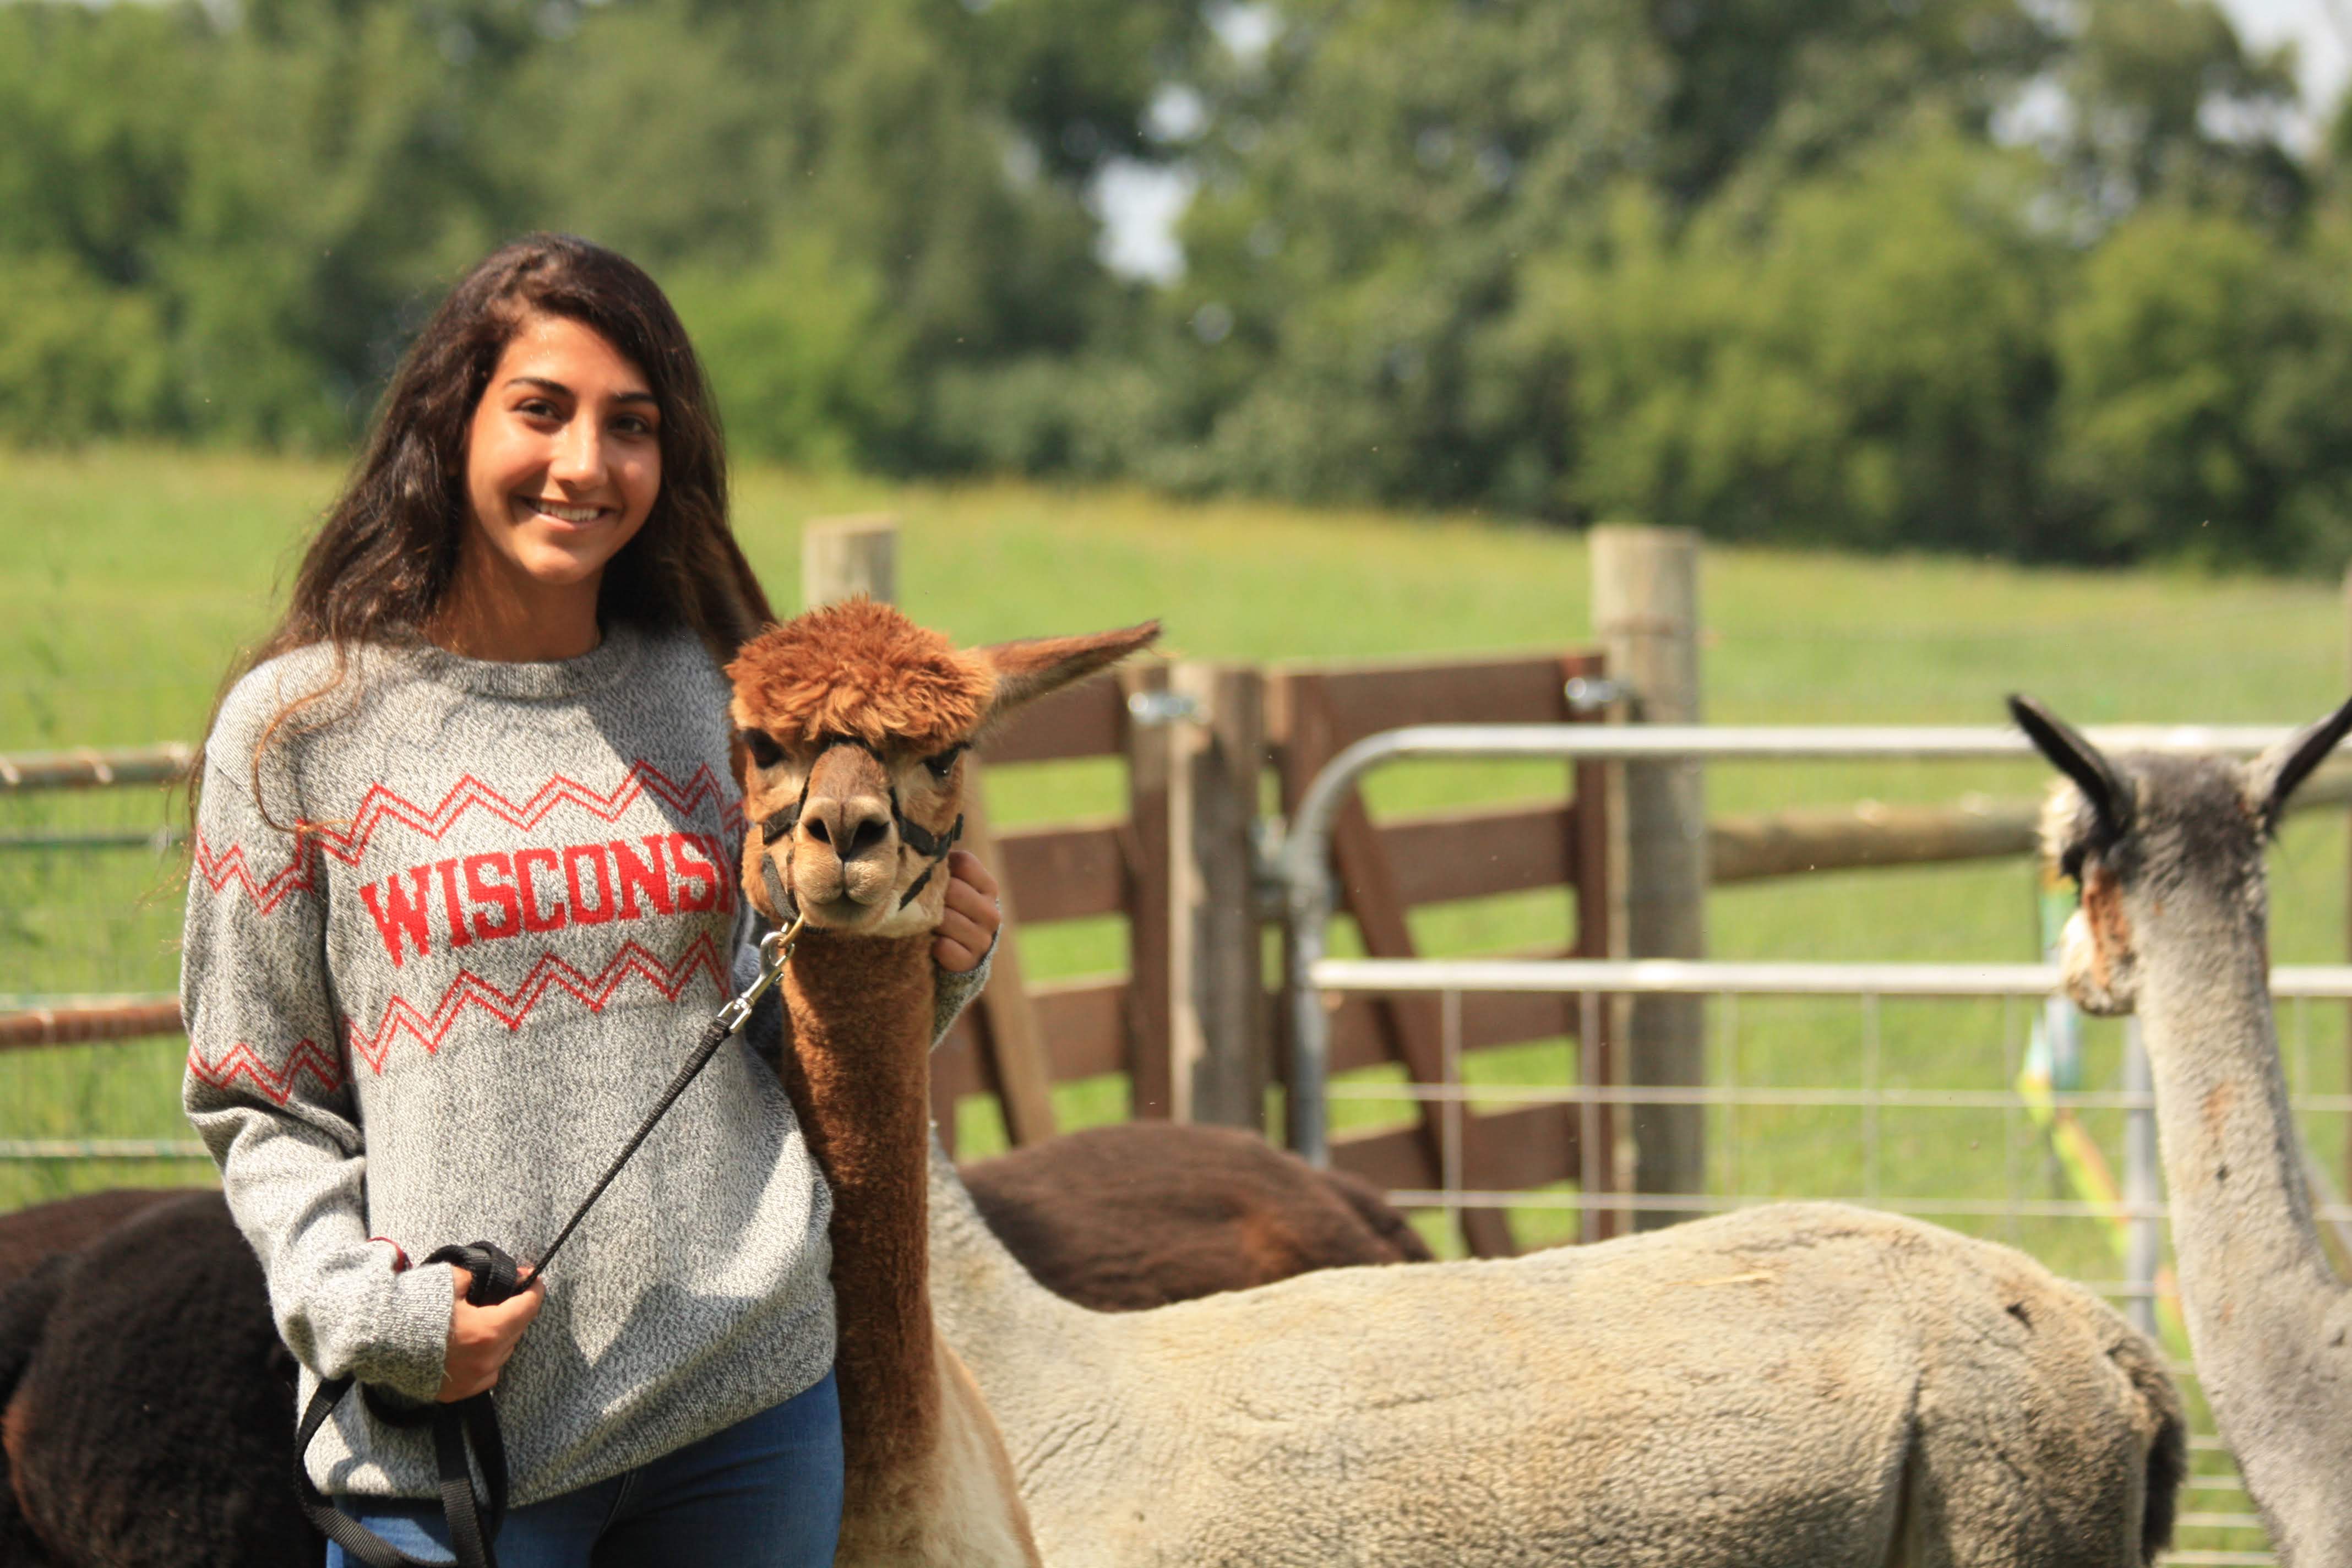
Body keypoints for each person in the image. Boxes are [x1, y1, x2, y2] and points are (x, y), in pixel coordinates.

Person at [179, 232, 1000, 1568]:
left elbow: (770, 1032)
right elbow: (255, 1094)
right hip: (450, 1435)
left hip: (747, 1412)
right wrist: (370, 1312)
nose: (585, 463)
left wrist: (916, 965)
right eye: (541, 410)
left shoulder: (720, 702)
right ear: (451, 426)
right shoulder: (299, 732)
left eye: (631, 424)